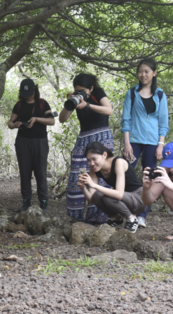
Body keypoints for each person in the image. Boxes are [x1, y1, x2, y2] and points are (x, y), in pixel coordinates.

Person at [59, 73, 114, 223]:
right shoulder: (76, 99)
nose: (81, 93)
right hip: (84, 138)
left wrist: (88, 105)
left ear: (91, 88)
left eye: (83, 90)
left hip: (102, 137)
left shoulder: (98, 92)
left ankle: (99, 218)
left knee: (101, 177)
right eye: (78, 90)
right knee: (78, 176)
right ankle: (75, 217)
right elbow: (62, 119)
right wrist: (71, 101)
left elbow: (109, 110)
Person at [121, 58, 169, 229]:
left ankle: (142, 215)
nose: (143, 74)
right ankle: (125, 211)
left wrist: (160, 145)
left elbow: (163, 123)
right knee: (125, 172)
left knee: (150, 178)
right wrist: (127, 143)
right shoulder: (132, 93)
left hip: (152, 143)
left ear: (154, 73)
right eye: (140, 71)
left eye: (146, 71)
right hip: (133, 141)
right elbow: (125, 120)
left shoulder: (160, 95)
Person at [8, 78, 55, 213]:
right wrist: (15, 124)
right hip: (23, 141)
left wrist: (36, 119)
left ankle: (44, 203)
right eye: (25, 93)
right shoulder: (19, 105)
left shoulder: (42, 103)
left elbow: (51, 121)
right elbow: (10, 123)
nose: (27, 95)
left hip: (40, 141)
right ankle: (26, 202)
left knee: (40, 172)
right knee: (25, 172)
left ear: (35, 90)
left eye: (30, 92)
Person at [77, 142, 146, 233]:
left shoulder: (118, 162)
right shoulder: (94, 169)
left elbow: (119, 194)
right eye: (89, 160)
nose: (91, 163)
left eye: (94, 159)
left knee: (109, 196)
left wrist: (94, 185)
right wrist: (83, 188)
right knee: (98, 195)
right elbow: (92, 199)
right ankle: (116, 219)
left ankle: (132, 219)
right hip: (123, 200)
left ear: (104, 155)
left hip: (139, 199)